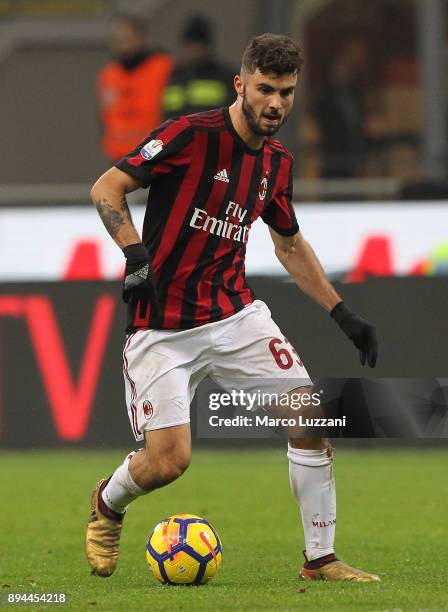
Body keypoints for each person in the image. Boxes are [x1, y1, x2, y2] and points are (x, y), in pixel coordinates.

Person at [86, 33, 379, 583]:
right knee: (167, 463)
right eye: (265, 89)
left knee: (309, 416)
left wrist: (343, 313)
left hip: (233, 314)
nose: (276, 104)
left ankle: (321, 559)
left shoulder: (277, 162)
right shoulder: (189, 135)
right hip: (162, 327)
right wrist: (136, 255)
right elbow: (107, 187)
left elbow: (289, 244)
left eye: (286, 93)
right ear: (241, 84)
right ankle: (109, 502)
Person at [97, 14, 172, 162]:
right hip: (118, 159)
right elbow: (104, 115)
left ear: (140, 38)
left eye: (127, 38)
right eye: (118, 40)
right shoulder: (109, 74)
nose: (122, 45)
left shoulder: (162, 68)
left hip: (154, 156)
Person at [163, 15, 236, 119]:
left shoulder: (226, 77)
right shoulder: (171, 76)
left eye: (198, 45)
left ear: (207, 47)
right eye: (189, 45)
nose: (193, 50)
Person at [315, 53, 369, 178]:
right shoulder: (325, 98)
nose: (342, 73)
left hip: (355, 151)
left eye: (344, 70)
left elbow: (360, 123)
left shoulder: (355, 94)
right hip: (334, 155)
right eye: (339, 70)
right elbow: (325, 126)